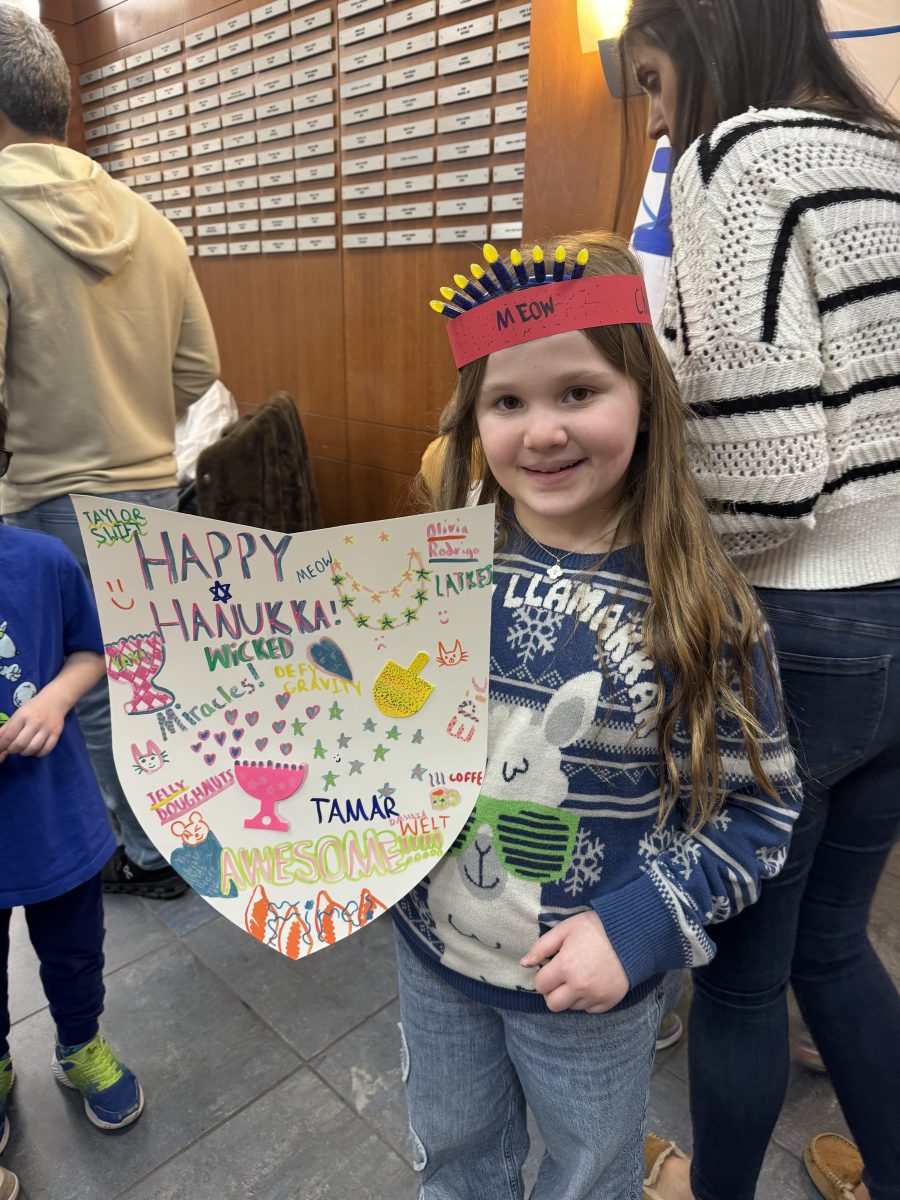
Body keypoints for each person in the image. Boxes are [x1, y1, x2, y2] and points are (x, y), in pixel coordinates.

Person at [392, 234, 801, 1200]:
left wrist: (640, 925)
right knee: (455, 1169)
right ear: (471, 422)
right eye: (508, 402)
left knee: (591, 1179)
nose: (542, 430)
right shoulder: (433, 572)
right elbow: (386, 738)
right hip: (430, 957)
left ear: (645, 402)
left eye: (578, 391)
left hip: (588, 997)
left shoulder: (702, 608)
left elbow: (763, 813)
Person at [621, 3, 900, 1199]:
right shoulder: (885, 153)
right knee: (838, 944)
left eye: (652, 79)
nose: (658, 113)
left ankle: (711, 1191)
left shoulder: (737, 160)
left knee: (739, 975)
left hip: (796, 626)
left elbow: (763, 471)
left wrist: (653, 553)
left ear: (699, 37)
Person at [0, 5, 220, 898]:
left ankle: (138, 851)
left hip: (43, 495)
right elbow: (201, 366)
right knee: (149, 675)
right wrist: (132, 420)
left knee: (82, 689)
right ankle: (176, 830)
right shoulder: (150, 222)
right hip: (150, 490)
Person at [0, 404, 144, 1200]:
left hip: (56, 820)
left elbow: (93, 650)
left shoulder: (43, 561)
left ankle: (80, 1043)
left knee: (73, 952)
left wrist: (56, 698)